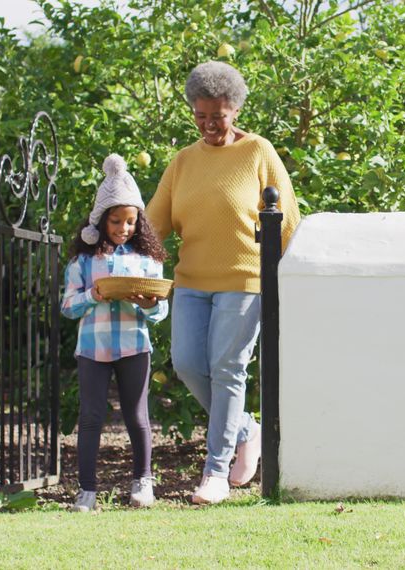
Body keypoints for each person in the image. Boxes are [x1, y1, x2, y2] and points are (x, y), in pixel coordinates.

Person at [146, 61, 301, 505]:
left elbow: (286, 218)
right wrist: (126, 255)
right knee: (189, 364)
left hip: (244, 280)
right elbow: (155, 224)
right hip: (192, 281)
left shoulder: (258, 152)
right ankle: (247, 430)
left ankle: (215, 472)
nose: (210, 124)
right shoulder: (183, 162)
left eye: (219, 115)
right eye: (201, 116)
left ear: (235, 110)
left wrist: (289, 279)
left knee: (229, 368)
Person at [61, 154, 169, 511]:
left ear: (139, 223)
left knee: (137, 416)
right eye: (116, 221)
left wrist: (148, 303)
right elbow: (67, 306)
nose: (123, 228)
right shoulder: (82, 262)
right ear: (100, 220)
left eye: (130, 222)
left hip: (134, 346)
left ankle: (143, 482)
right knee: (91, 417)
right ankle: (87, 491)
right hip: (92, 348)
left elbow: (160, 310)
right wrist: (94, 295)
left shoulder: (147, 261)